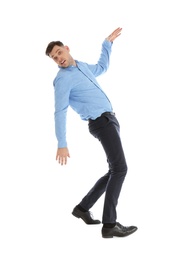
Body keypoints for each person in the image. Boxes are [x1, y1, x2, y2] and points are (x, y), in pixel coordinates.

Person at [45, 27, 137, 238]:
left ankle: (83, 209)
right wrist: (62, 142)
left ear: (67, 49)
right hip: (100, 123)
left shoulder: (82, 67)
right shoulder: (62, 79)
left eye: (59, 52)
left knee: (114, 169)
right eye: (53, 57)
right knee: (120, 169)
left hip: (110, 120)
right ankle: (109, 224)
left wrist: (107, 44)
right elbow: (59, 111)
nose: (58, 58)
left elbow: (102, 67)